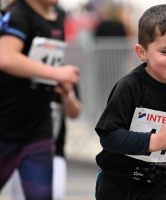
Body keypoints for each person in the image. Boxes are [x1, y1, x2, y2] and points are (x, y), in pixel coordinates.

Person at [94, 4, 166, 200]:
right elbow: (108, 136)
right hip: (119, 183)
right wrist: (156, 141)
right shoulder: (130, 87)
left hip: (164, 183)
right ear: (142, 52)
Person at [0, 0, 79, 199]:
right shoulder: (19, 14)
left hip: (38, 130)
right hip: (5, 128)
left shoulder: (58, 15)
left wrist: (64, 89)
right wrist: (55, 73)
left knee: (42, 195)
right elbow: (5, 57)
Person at [10, 85, 81, 200]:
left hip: (53, 150)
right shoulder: (21, 74)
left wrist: (68, 96)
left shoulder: (62, 74)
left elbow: (75, 113)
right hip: (21, 147)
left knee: (55, 195)